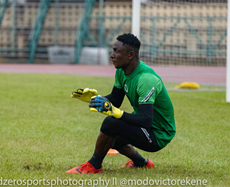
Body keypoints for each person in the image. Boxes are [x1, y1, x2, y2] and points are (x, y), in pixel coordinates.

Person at [66, 33, 176, 174]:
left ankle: (94, 165)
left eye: (117, 51)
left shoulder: (146, 79)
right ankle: (141, 162)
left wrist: (116, 113)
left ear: (130, 55)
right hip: (146, 126)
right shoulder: (121, 71)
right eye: (113, 50)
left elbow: (146, 119)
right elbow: (116, 99)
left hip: (158, 134)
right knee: (113, 134)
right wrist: (95, 99)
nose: (112, 55)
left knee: (112, 123)